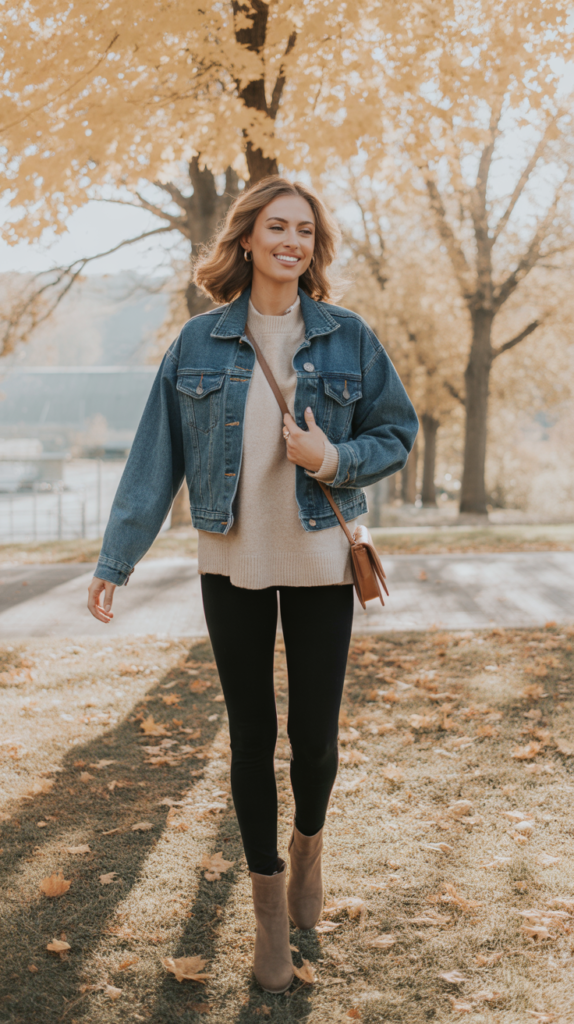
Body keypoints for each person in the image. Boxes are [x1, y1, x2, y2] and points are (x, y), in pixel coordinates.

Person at [87, 176, 418, 994]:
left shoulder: (349, 338)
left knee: (314, 736)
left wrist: (333, 459)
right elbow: (152, 458)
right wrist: (113, 561)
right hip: (229, 559)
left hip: (318, 561)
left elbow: (396, 431)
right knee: (248, 733)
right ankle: (268, 906)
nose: (292, 241)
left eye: (305, 230)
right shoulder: (198, 343)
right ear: (247, 238)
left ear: (315, 247)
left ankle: (309, 847)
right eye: (277, 226)